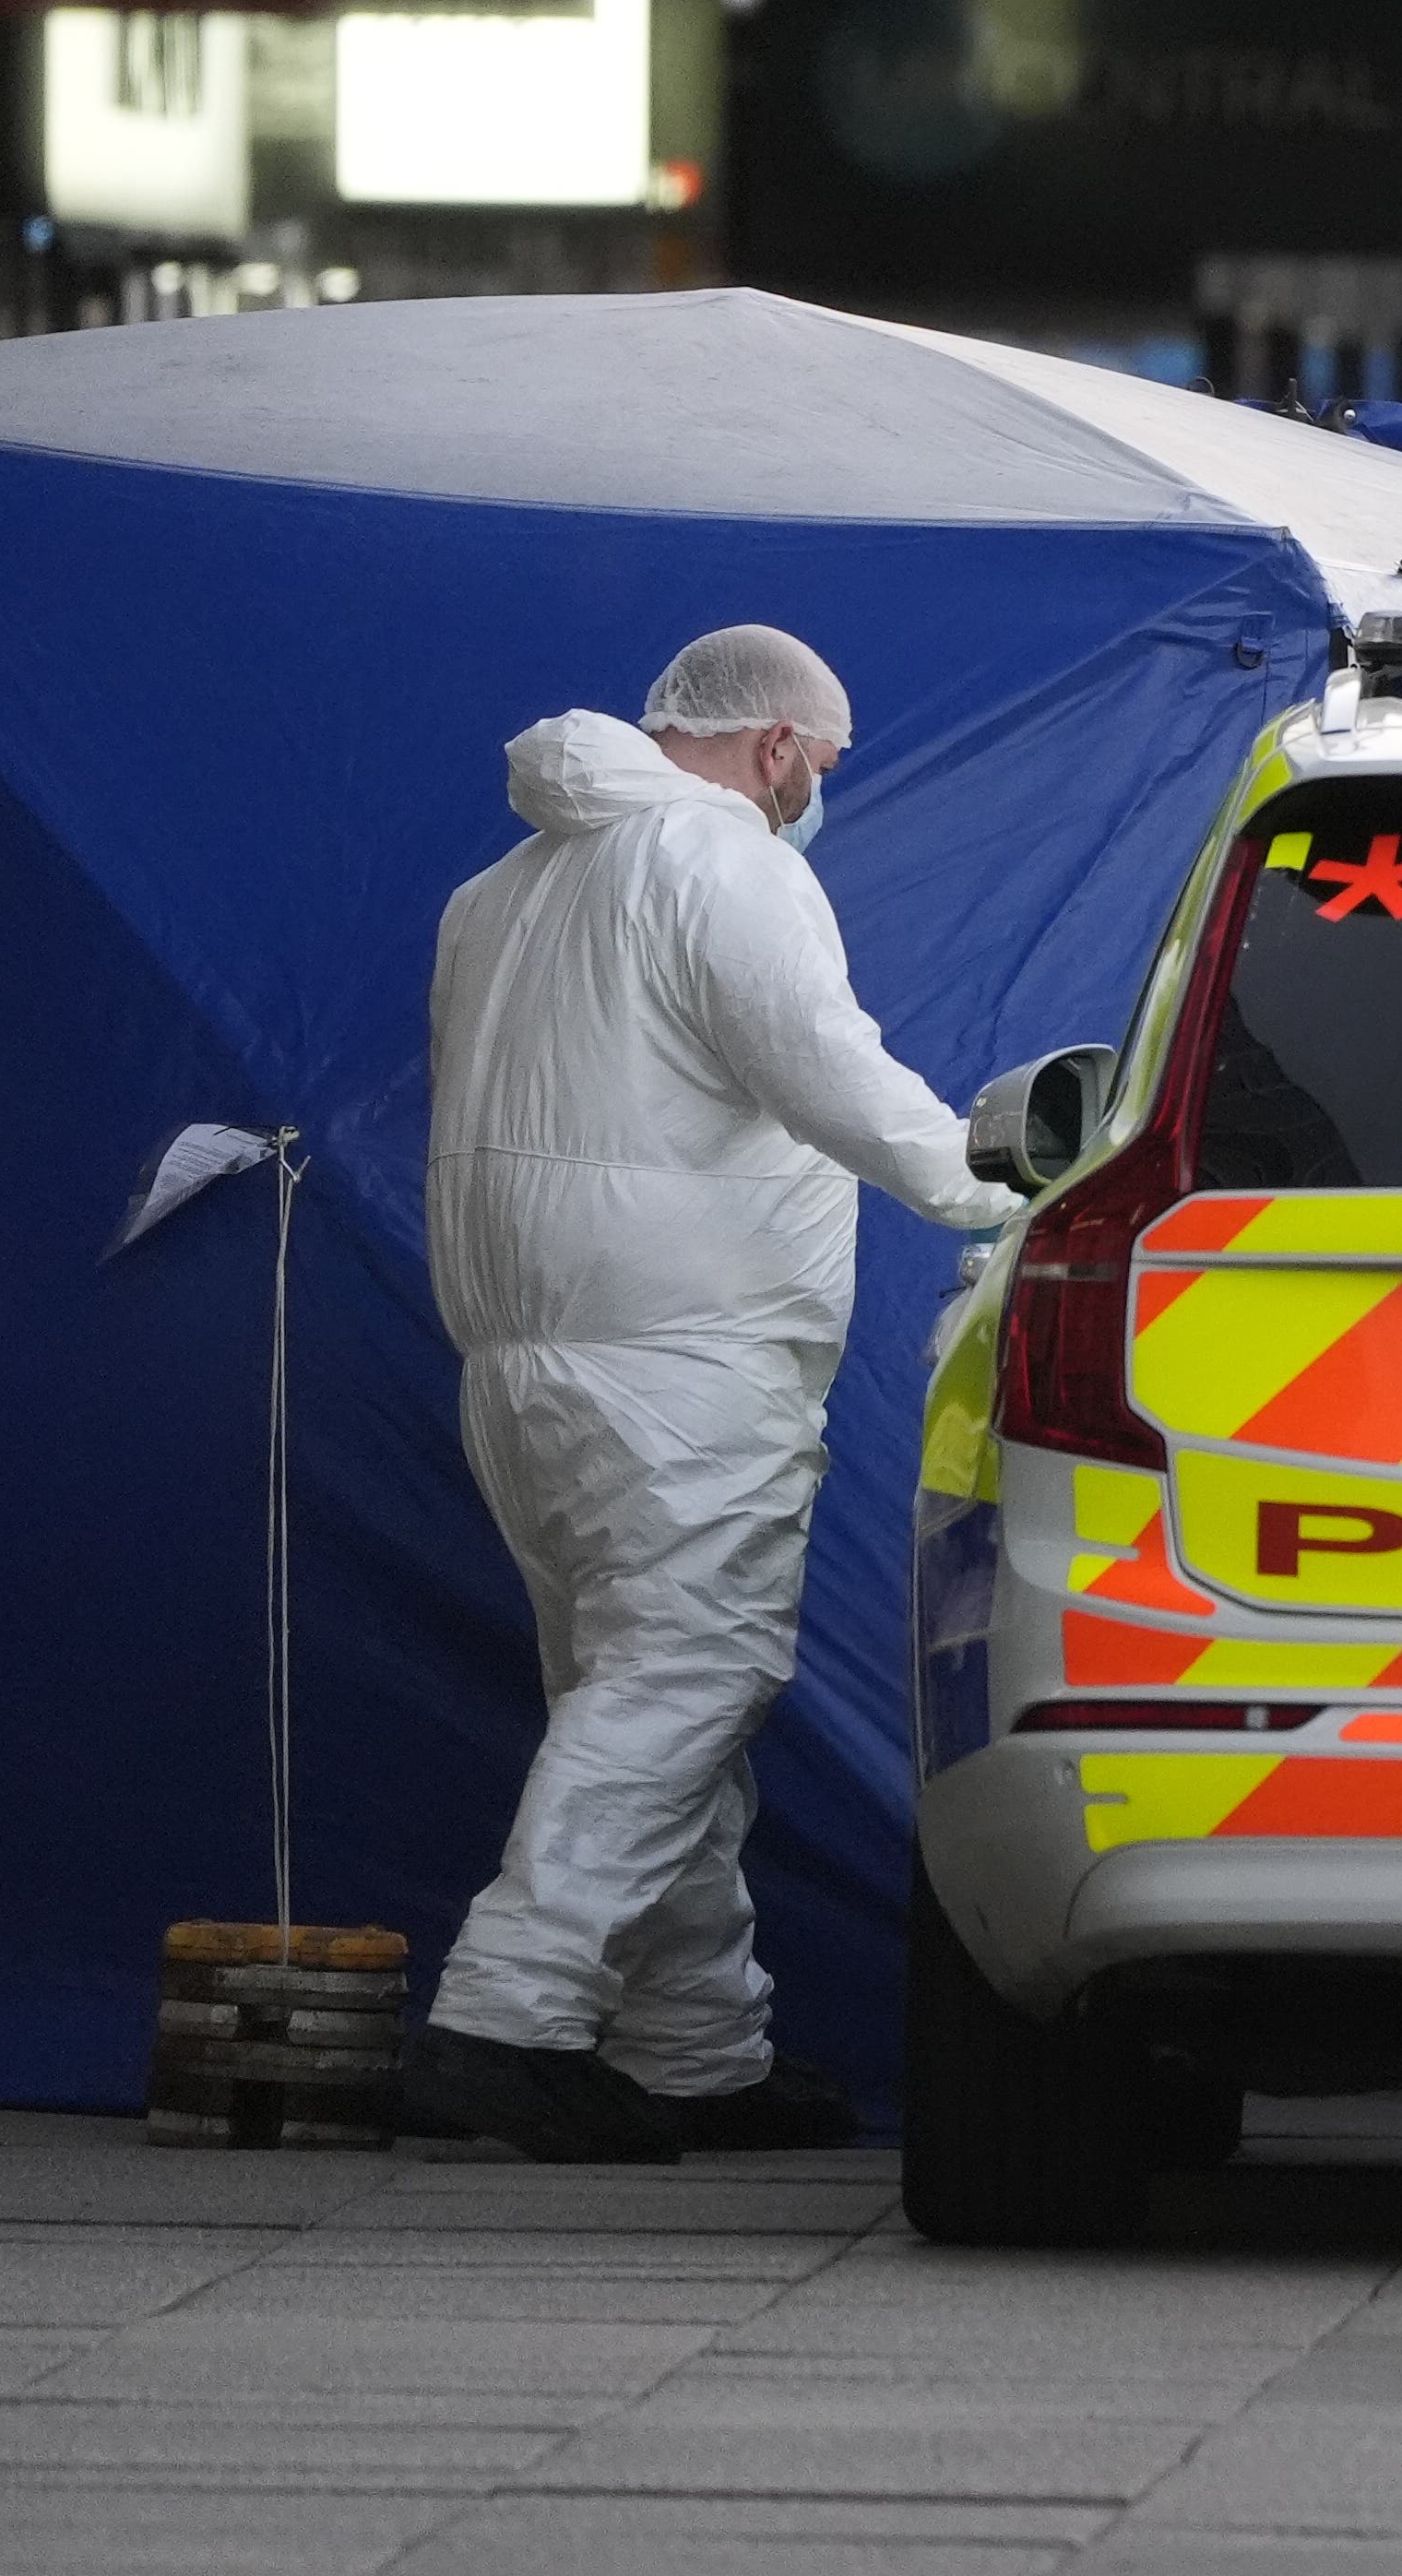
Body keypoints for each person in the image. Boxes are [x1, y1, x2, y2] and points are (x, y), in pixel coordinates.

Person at [401, 625, 1022, 2164]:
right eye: (825, 766)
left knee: (634, 1694)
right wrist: (1006, 1188)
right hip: (688, 1351)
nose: (821, 795)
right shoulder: (724, 863)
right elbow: (828, 1070)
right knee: (687, 1679)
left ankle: (695, 2047)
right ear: (777, 751)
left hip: (521, 1354)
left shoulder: (496, 895)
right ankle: (507, 2012)